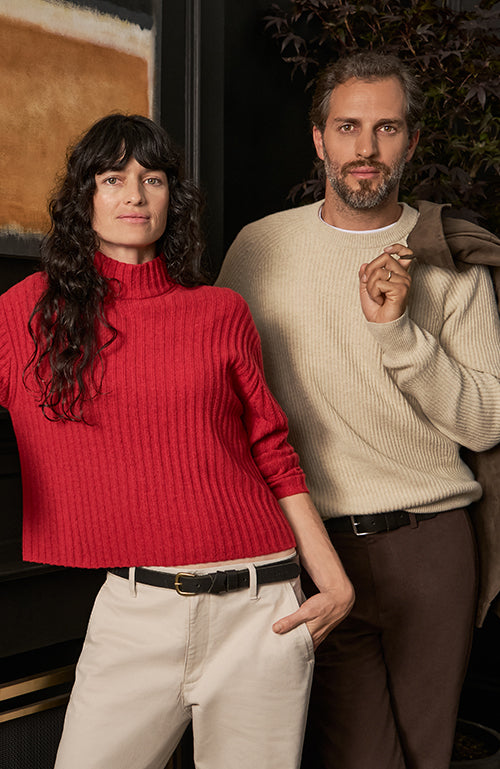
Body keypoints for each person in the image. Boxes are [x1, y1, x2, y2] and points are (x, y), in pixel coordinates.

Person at [0, 113, 353, 769]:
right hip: (136, 608)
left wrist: (331, 577)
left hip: (262, 607)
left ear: (172, 197)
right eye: (113, 178)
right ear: (84, 197)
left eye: (153, 179)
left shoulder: (220, 311)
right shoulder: (28, 311)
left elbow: (271, 446)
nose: (135, 195)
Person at [216, 52, 500, 769]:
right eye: (347, 127)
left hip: (432, 546)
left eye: (386, 128)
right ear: (319, 139)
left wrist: (397, 332)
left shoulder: (449, 261)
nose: (366, 148)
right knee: (356, 754)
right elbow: (220, 396)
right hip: (309, 546)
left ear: (411, 140)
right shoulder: (258, 248)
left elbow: (485, 423)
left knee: (426, 754)